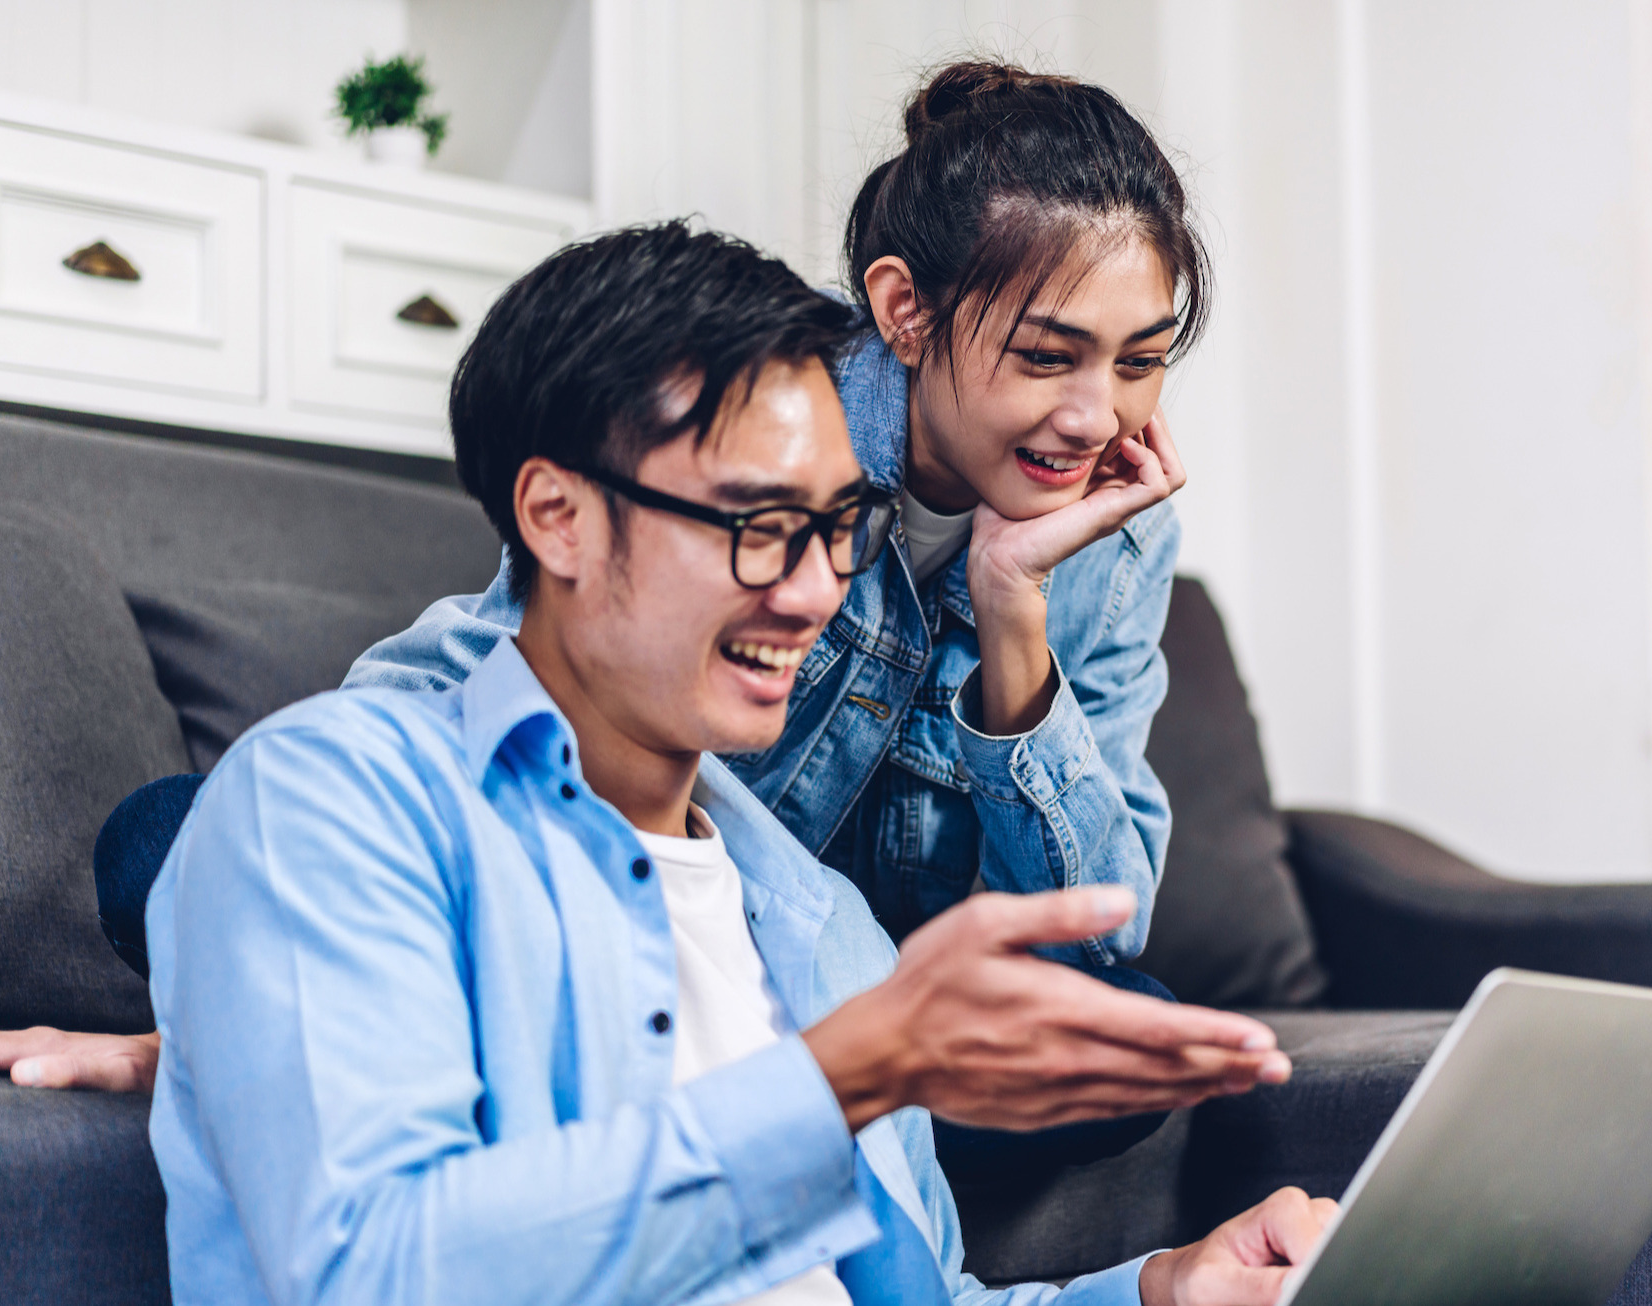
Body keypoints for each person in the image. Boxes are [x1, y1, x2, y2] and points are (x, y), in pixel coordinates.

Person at [0, 60, 1203, 1163]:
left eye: (1139, 360)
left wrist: (1012, 608)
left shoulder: (1111, 525)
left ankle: (561, 1074)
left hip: (840, 979)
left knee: (1128, 1037)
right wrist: (280, 953)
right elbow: (448, 696)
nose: (1096, 416)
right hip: (600, 937)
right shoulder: (749, 414)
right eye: (1050, 355)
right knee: (182, 838)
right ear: (902, 308)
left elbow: (1098, 916)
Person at [149, 221, 1330, 1306]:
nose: (817, 589)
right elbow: (372, 1273)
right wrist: (844, 1077)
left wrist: (1157, 1289)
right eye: (758, 528)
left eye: (837, 528)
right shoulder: (328, 798)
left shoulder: (817, 927)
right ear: (557, 517)